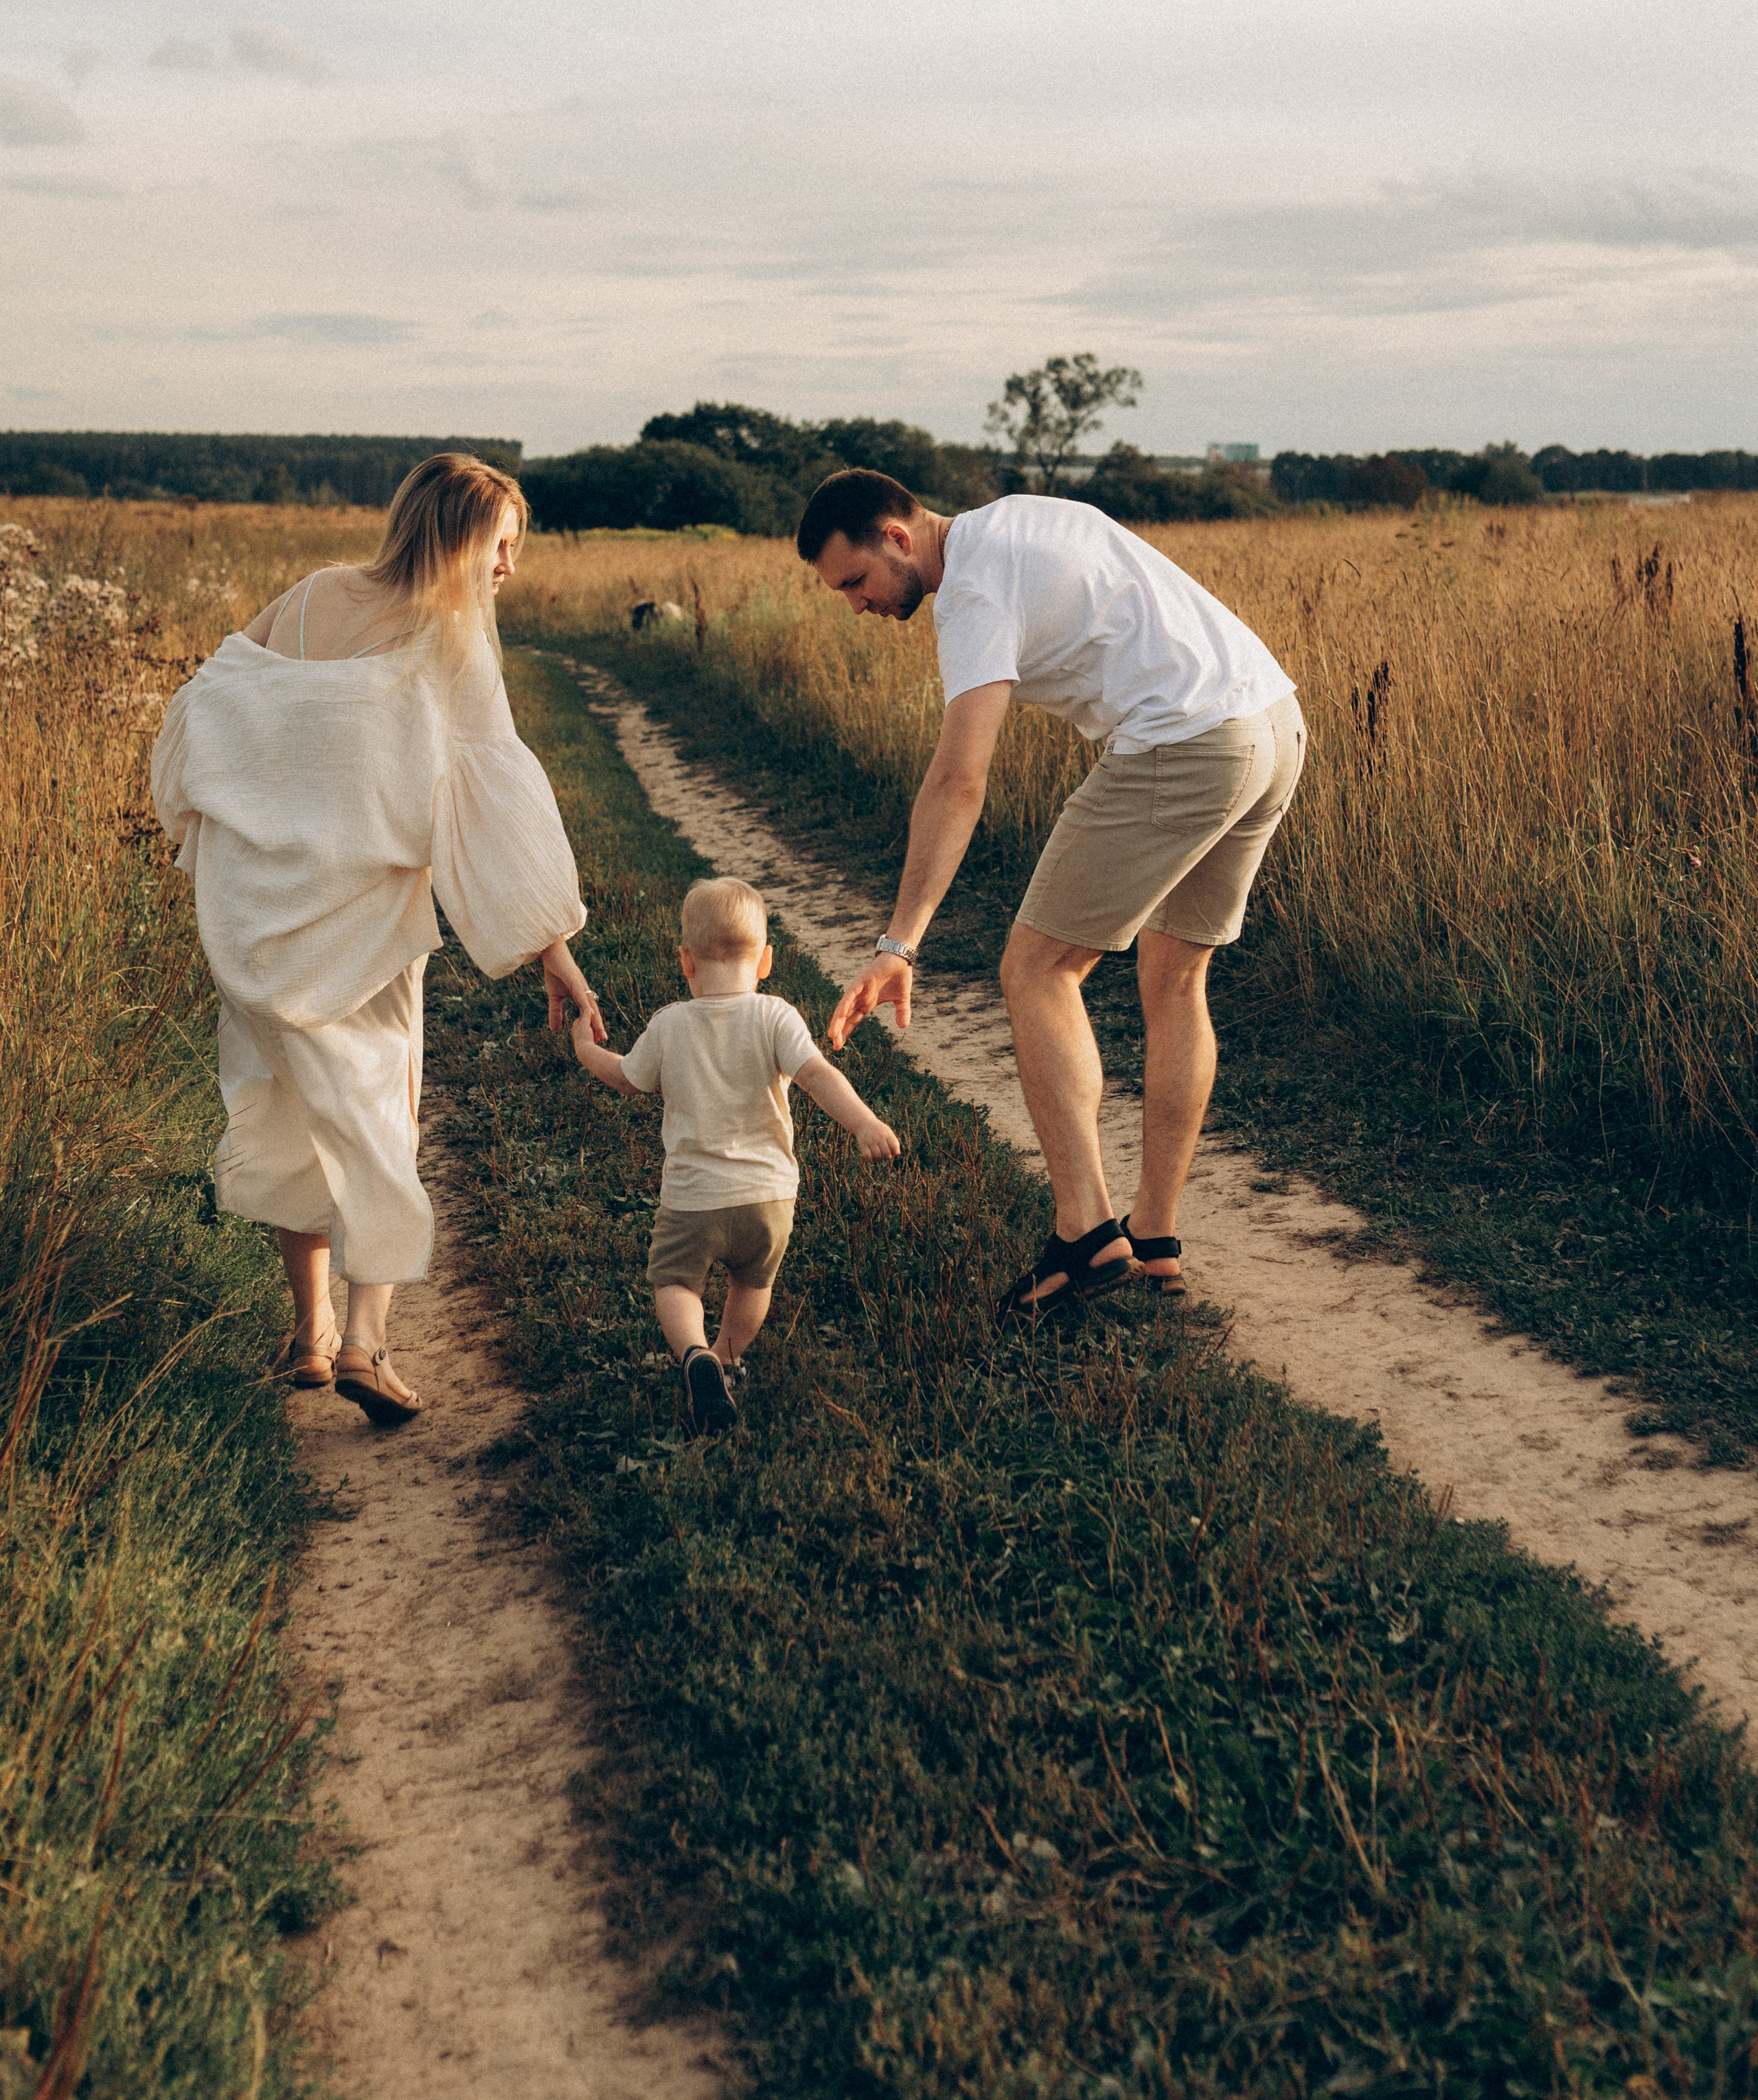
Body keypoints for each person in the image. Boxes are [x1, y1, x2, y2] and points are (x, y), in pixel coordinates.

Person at [151, 452, 602, 1426]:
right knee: (375, 1119)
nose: (509, 568)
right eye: (501, 546)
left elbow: (209, 703)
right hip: (362, 928)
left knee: (292, 1109)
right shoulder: (451, 640)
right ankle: (365, 1342)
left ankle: (308, 1333)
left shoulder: (312, 596)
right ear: (459, 537)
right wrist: (552, 946)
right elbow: (495, 797)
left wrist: (220, 818)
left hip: (259, 915)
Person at [801, 468, 1304, 1322]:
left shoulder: (971, 592)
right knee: (1176, 977)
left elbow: (959, 781)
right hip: (1273, 726)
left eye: (856, 581)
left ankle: (1085, 1235)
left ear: (898, 536)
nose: (858, 605)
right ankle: (1154, 1239)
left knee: (1037, 969)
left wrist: (898, 943)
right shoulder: (1023, 517)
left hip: (1184, 741)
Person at [573, 876, 900, 1434]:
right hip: (768, 1198)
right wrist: (864, 1122)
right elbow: (817, 1075)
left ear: (686, 961)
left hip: (693, 1199)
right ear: (766, 960)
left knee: (676, 1284)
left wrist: (585, 1048)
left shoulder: (670, 1023)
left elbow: (626, 1078)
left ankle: (695, 1355)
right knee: (752, 1285)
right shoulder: (777, 1016)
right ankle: (726, 1359)